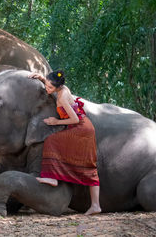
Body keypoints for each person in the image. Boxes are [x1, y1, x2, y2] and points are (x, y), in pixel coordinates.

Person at [28, 70, 101, 215]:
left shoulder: (61, 98)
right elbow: (53, 85)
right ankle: (55, 177)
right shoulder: (63, 88)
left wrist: (56, 121)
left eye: (49, 88)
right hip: (81, 127)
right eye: (46, 86)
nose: (47, 90)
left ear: (57, 87)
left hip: (82, 128)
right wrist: (42, 78)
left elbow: (75, 119)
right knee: (85, 162)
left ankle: (95, 205)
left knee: (52, 140)